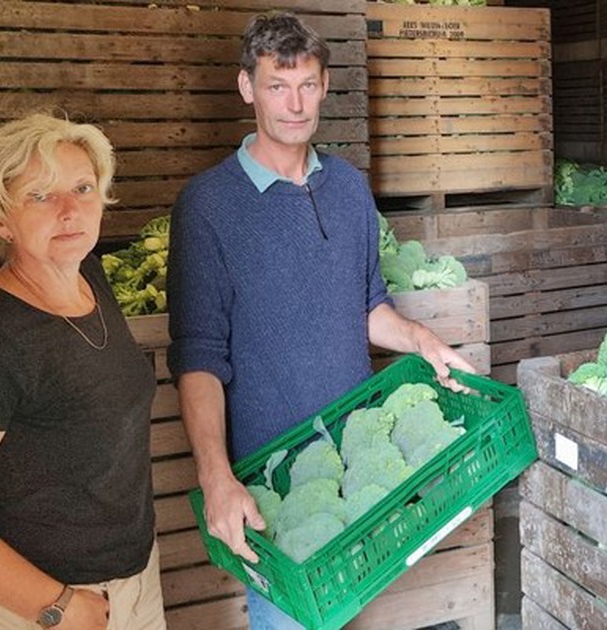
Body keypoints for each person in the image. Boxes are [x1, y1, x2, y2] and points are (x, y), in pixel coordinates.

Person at [166, 10, 476, 629]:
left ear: (325, 85)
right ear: (247, 87)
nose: (294, 104)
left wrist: (422, 340)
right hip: (275, 483)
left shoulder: (348, 188)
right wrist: (216, 476)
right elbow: (198, 356)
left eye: (307, 84)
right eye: (277, 85)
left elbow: (368, 308)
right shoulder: (207, 206)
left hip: (354, 461)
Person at [0, 113, 167, 630]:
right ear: (0, 220)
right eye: (40, 195)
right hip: (40, 608)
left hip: (135, 588)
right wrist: (60, 607)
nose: (70, 211)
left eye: (83, 188)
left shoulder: (88, 275)